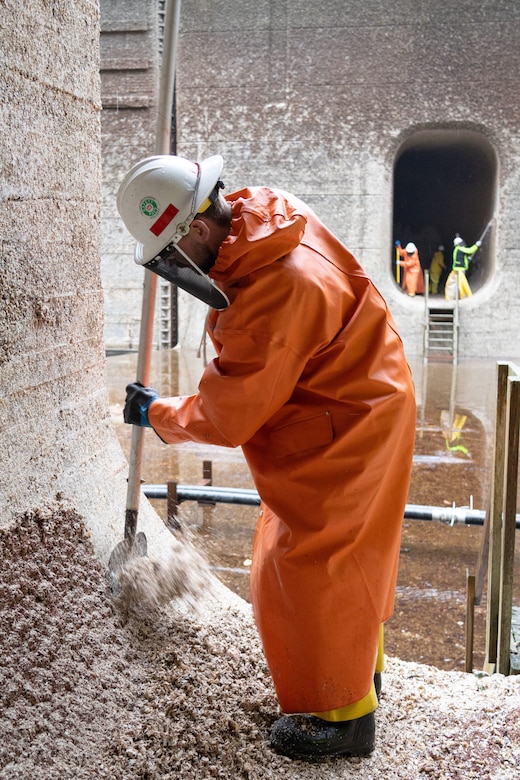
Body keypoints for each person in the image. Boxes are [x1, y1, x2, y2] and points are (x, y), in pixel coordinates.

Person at [117, 154, 416, 762]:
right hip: (363, 393)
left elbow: (228, 415)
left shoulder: (274, 292)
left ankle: (342, 719)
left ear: (197, 229)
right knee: (348, 552)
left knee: (310, 564)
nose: (176, 270)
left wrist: (156, 413)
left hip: (345, 422)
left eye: (173, 256)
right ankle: (361, 675)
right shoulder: (263, 220)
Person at [444, 235, 481, 300]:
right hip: (460, 269)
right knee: (462, 283)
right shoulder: (460, 249)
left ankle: (451, 296)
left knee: (453, 283)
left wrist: (467, 259)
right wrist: (476, 245)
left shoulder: (456, 249)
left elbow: (461, 258)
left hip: (456, 269)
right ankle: (466, 295)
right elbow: (470, 250)